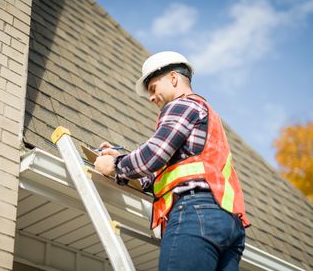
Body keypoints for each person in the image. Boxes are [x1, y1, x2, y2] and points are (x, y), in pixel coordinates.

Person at [94, 51, 250, 271]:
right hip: (229, 224)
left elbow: (153, 156)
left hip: (196, 213)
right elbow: (165, 173)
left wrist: (115, 165)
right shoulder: (206, 115)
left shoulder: (181, 105)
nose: (151, 97)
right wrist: (123, 159)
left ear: (173, 79)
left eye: (153, 88)